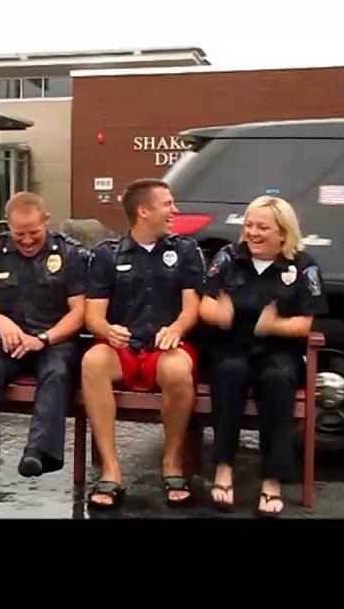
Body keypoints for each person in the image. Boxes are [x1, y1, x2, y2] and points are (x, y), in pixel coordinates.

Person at [198, 194, 328, 517]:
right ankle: (223, 468)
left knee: (276, 381)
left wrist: (274, 325)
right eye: (248, 225)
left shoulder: (303, 266)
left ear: (283, 233)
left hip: (278, 351)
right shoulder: (228, 257)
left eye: (262, 227)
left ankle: (273, 480)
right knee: (229, 374)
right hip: (232, 345)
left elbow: (305, 323)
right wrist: (219, 314)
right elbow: (205, 302)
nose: (252, 233)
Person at [81, 178, 205, 508]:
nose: (174, 210)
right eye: (168, 204)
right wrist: (108, 330)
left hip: (166, 346)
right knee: (92, 362)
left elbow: (192, 306)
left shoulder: (185, 250)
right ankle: (111, 469)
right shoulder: (106, 255)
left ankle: (172, 462)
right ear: (144, 211)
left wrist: (177, 328)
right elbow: (93, 315)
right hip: (123, 347)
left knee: (179, 369)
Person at [0, 191, 89, 482]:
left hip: (55, 340)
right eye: (19, 233)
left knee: (56, 372)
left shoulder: (69, 253)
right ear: (8, 226)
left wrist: (45, 338)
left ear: (46, 221)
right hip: (10, 339)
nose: (26, 240)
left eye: (34, 232)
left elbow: (79, 312)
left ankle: (38, 453)